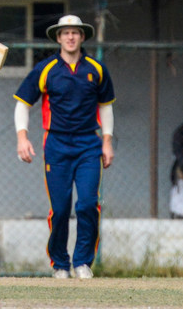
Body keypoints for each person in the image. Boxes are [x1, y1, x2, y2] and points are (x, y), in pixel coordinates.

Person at [14, 15, 115, 279]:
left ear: (82, 37)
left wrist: (107, 142)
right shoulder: (46, 69)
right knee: (60, 209)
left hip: (88, 145)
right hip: (56, 144)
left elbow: (106, 107)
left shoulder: (97, 69)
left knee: (88, 204)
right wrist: (22, 138)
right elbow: (23, 104)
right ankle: (60, 264)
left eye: (75, 32)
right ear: (58, 38)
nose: (70, 37)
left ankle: (83, 262)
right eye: (65, 33)